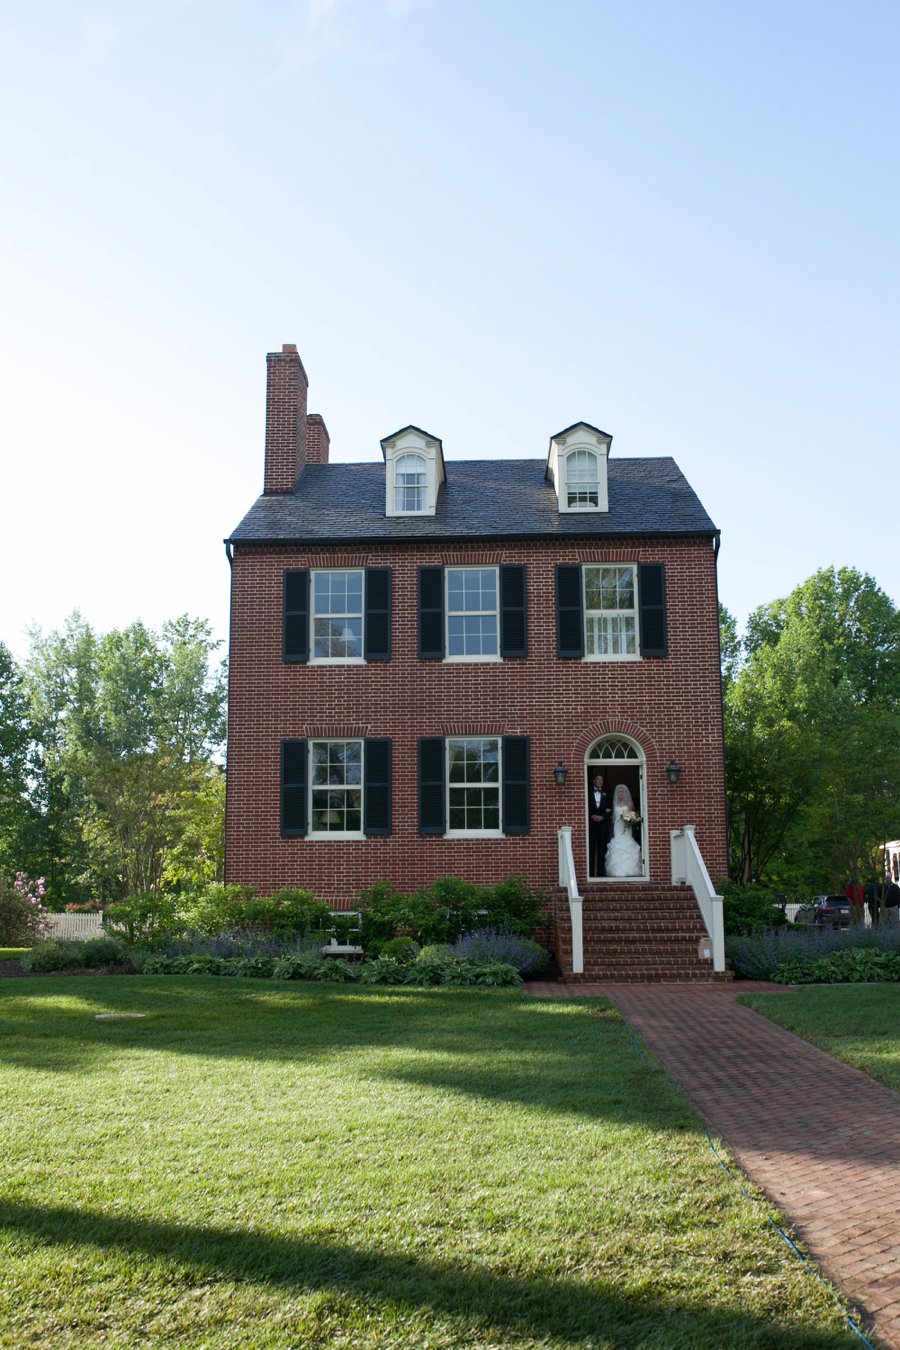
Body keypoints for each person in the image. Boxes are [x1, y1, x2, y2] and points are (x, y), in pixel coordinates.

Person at [605, 783, 643, 878]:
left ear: (625, 793)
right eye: (619, 792)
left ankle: (631, 870)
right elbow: (612, 816)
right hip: (617, 826)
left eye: (622, 792)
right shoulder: (614, 803)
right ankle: (616, 870)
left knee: (627, 842)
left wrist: (629, 818)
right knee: (617, 843)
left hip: (626, 827)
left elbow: (633, 815)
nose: (621, 793)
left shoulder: (629, 804)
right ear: (617, 793)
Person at [587, 772, 612, 877]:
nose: (600, 781)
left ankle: (602, 872)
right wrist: (591, 815)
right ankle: (591, 872)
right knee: (591, 849)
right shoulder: (588, 792)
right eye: (598, 779)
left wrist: (602, 816)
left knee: (602, 849)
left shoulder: (607, 793)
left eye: (601, 780)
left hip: (602, 826)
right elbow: (586, 806)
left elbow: (610, 808)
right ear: (594, 781)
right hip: (592, 825)